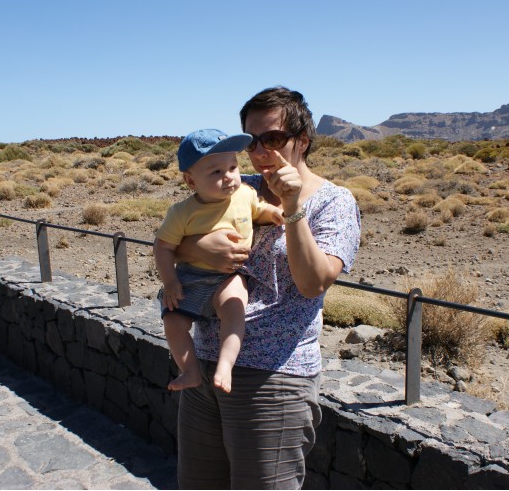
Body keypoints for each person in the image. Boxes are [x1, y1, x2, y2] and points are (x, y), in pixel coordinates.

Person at [174, 87, 361, 489]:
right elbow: (172, 241)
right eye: (252, 141)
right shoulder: (235, 185)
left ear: (302, 140)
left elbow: (312, 283)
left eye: (273, 138)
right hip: (205, 365)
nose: (260, 152)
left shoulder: (334, 202)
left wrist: (292, 207)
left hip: (273, 377)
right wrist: (198, 247)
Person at [154, 128, 284, 395]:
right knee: (173, 322)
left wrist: (274, 213)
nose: (228, 177)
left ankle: (225, 365)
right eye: (216, 172)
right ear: (191, 181)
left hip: (229, 275)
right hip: (190, 276)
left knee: (234, 308)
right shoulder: (182, 212)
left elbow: (259, 210)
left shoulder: (245, 194)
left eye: (233, 167)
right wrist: (170, 281)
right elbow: (163, 247)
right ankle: (190, 370)